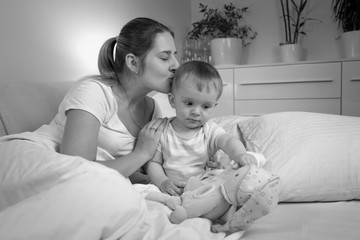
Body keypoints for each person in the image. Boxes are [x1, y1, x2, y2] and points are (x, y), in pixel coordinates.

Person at [0, 17, 179, 183]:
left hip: (94, 181)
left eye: (174, 55)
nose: (176, 65)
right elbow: (77, 169)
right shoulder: (94, 91)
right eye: (164, 57)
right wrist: (141, 154)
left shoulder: (153, 108)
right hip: (36, 164)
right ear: (133, 63)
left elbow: (145, 167)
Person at [145, 61, 264, 196]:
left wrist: (240, 154)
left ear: (214, 106)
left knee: (225, 187)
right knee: (148, 195)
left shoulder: (209, 130)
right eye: (189, 103)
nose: (196, 112)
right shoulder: (163, 131)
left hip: (203, 187)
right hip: (171, 189)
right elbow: (154, 163)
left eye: (206, 106)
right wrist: (162, 182)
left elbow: (227, 141)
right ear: (172, 101)